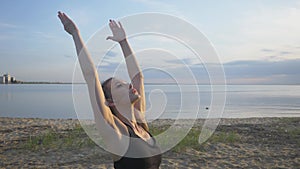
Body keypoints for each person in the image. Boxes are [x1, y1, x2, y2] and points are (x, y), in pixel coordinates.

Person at [58, 11, 162, 169]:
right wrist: (75, 34)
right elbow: (91, 76)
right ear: (111, 102)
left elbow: (138, 77)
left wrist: (123, 42)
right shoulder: (116, 132)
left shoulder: (140, 123)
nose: (129, 85)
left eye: (125, 82)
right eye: (119, 86)